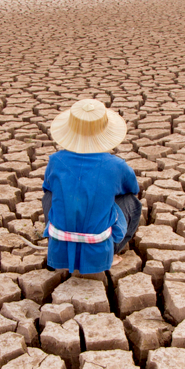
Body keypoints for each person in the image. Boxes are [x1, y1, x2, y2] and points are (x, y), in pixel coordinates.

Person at [41, 99, 141, 275]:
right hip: (99, 250)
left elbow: (47, 186)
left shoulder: (55, 161)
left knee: (50, 195)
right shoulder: (116, 166)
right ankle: (112, 251)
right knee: (130, 201)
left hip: (59, 247)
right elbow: (132, 188)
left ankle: (61, 252)